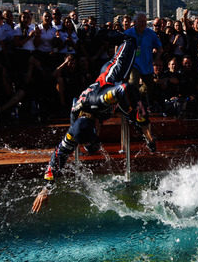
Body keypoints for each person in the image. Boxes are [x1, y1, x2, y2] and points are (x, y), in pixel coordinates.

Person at [32, 30, 156, 213]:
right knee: (128, 112)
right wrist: (45, 189)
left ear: (95, 128)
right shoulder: (74, 130)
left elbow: (125, 89)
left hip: (111, 75)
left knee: (129, 41)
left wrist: (140, 119)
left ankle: (104, 34)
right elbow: (57, 156)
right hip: (98, 100)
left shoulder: (100, 101)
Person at [125, 13, 163, 105]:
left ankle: (139, 100)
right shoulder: (128, 33)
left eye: (144, 22)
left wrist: (157, 59)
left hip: (147, 64)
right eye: (141, 21)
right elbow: (120, 47)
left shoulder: (151, 33)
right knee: (133, 83)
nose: (143, 24)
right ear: (135, 22)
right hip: (133, 64)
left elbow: (160, 49)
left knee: (149, 87)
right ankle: (133, 105)